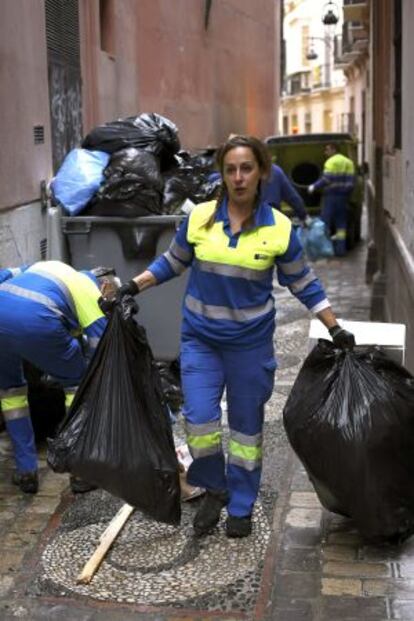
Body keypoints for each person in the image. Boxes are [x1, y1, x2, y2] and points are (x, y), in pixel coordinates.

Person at [118, 134, 355, 538]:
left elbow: (304, 283)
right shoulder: (199, 219)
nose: (239, 177)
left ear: (262, 172)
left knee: (246, 432)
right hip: (201, 342)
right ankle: (214, 488)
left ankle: (241, 504)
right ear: (222, 175)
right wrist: (131, 286)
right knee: (199, 421)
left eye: (247, 168)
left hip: (249, 347)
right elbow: (172, 262)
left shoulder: (278, 229)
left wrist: (334, 327)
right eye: (231, 169)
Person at [0, 261, 119, 494]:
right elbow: (102, 346)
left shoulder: (45, 267)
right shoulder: (88, 290)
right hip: (37, 322)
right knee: (78, 385)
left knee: (11, 394)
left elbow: (4, 274)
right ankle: (81, 472)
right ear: (104, 286)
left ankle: (26, 471)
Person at [209, 161, 309, 225]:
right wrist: (304, 217)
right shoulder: (275, 171)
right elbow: (292, 198)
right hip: (271, 224)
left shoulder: (223, 177)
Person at [308, 143, 355, 256]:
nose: (325, 153)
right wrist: (345, 193)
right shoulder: (348, 162)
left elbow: (327, 179)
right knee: (341, 225)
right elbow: (351, 183)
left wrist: (314, 186)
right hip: (343, 198)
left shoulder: (331, 162)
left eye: (327, 150)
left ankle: (325, 250)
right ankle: (340, 250)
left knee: (325, 223)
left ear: (334, 150)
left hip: (330, 197)